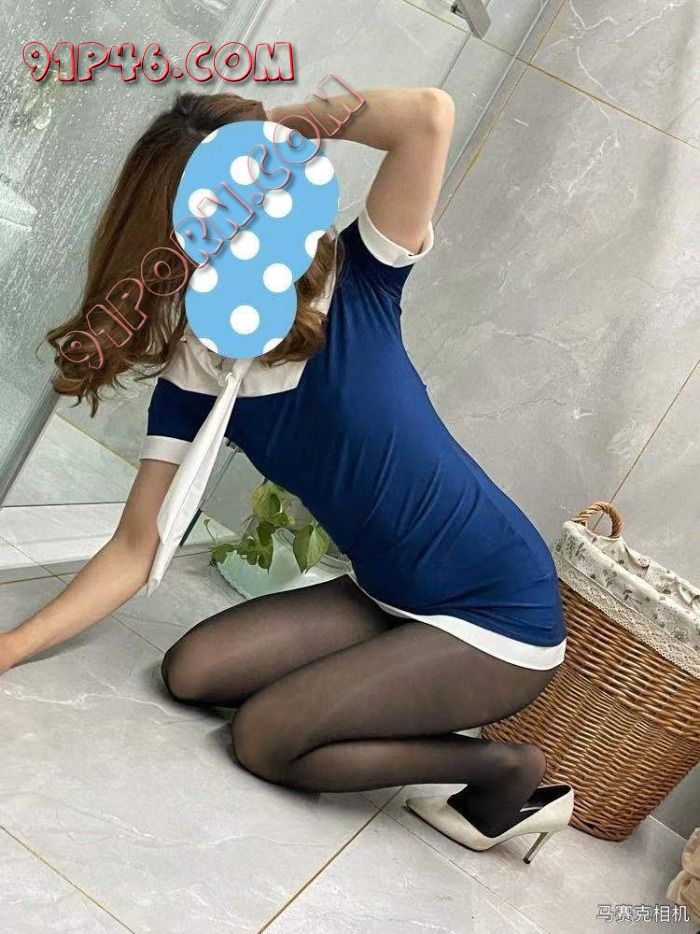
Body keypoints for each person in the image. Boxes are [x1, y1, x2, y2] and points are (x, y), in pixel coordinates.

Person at [0, 87, 573, 861]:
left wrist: (272, 127)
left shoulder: (362, 277)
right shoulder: (198, 372)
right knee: (192, 673)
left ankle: (505, 771)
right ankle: (378, 682)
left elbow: (428, 116)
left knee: (265, 738)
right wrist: (11, 646)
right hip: (385, 595)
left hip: (497, 609)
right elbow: (136, 548)